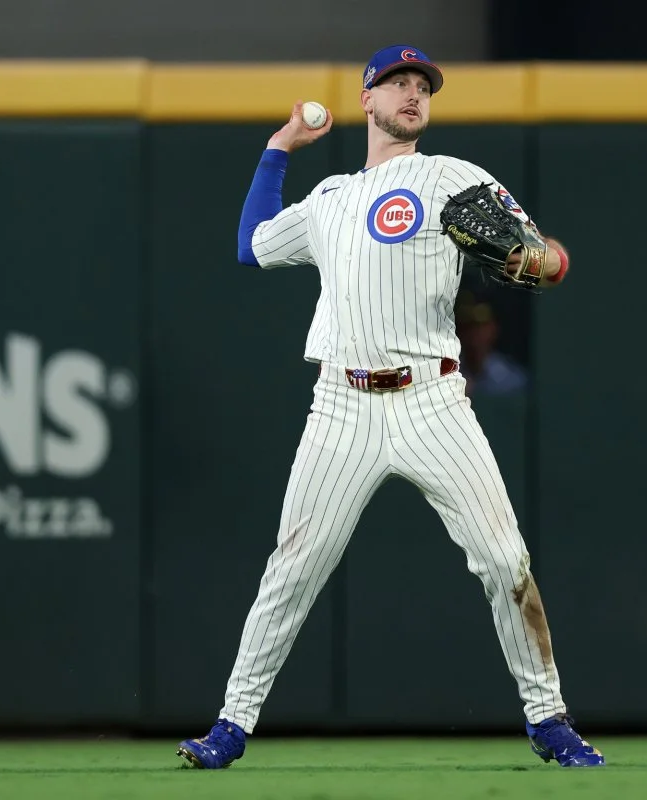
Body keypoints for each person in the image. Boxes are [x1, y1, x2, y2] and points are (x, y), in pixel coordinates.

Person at [175, 45, 603, 770]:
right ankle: (231, 726)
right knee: (293, 569)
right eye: (397, 82)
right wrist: (279, 147)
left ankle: (548, 718)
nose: (412, 93)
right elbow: (252, 245)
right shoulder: (330, 198)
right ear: (365, 99)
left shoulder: (453, 177)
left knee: (506, 560)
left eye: (422, 86)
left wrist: (547, 259)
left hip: (432, 401)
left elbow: (543, 256)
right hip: (341, 405)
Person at [455, 291, 529, 397]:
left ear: (493, 328)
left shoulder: (512, 379)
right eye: (467, 327)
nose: (474, 334)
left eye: (481, 326)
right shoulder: (446, 374)